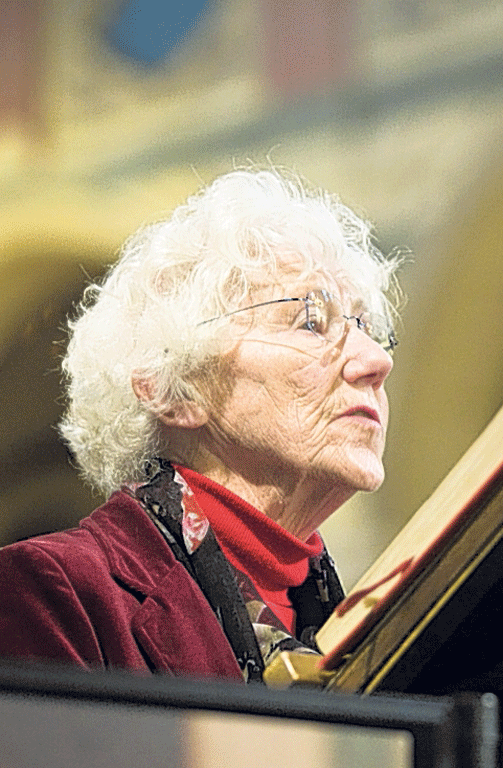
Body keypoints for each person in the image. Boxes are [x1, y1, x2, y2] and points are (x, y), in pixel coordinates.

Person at [0, 168, 403, 683]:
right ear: (173, 388)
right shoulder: (53, 595)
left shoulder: (359, 623)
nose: (375, 361)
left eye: (367, 328)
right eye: (310, 322)